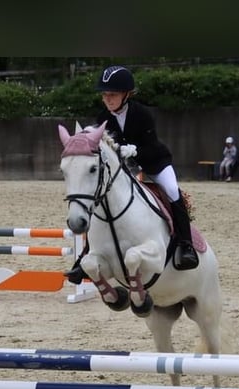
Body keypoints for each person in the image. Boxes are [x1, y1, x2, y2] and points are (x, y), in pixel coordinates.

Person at [64, 65, 199, 285]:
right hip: (125, 170)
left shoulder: (142, 114)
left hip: (154, 163)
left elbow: (152, 147)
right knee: (101, 201)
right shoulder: (103, 116)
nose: (108, 99)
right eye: (105, 95)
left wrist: (134, 150)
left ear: (127, 94)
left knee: (173, 191)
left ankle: (186, 245)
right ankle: (84, 257)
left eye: (113, 95)